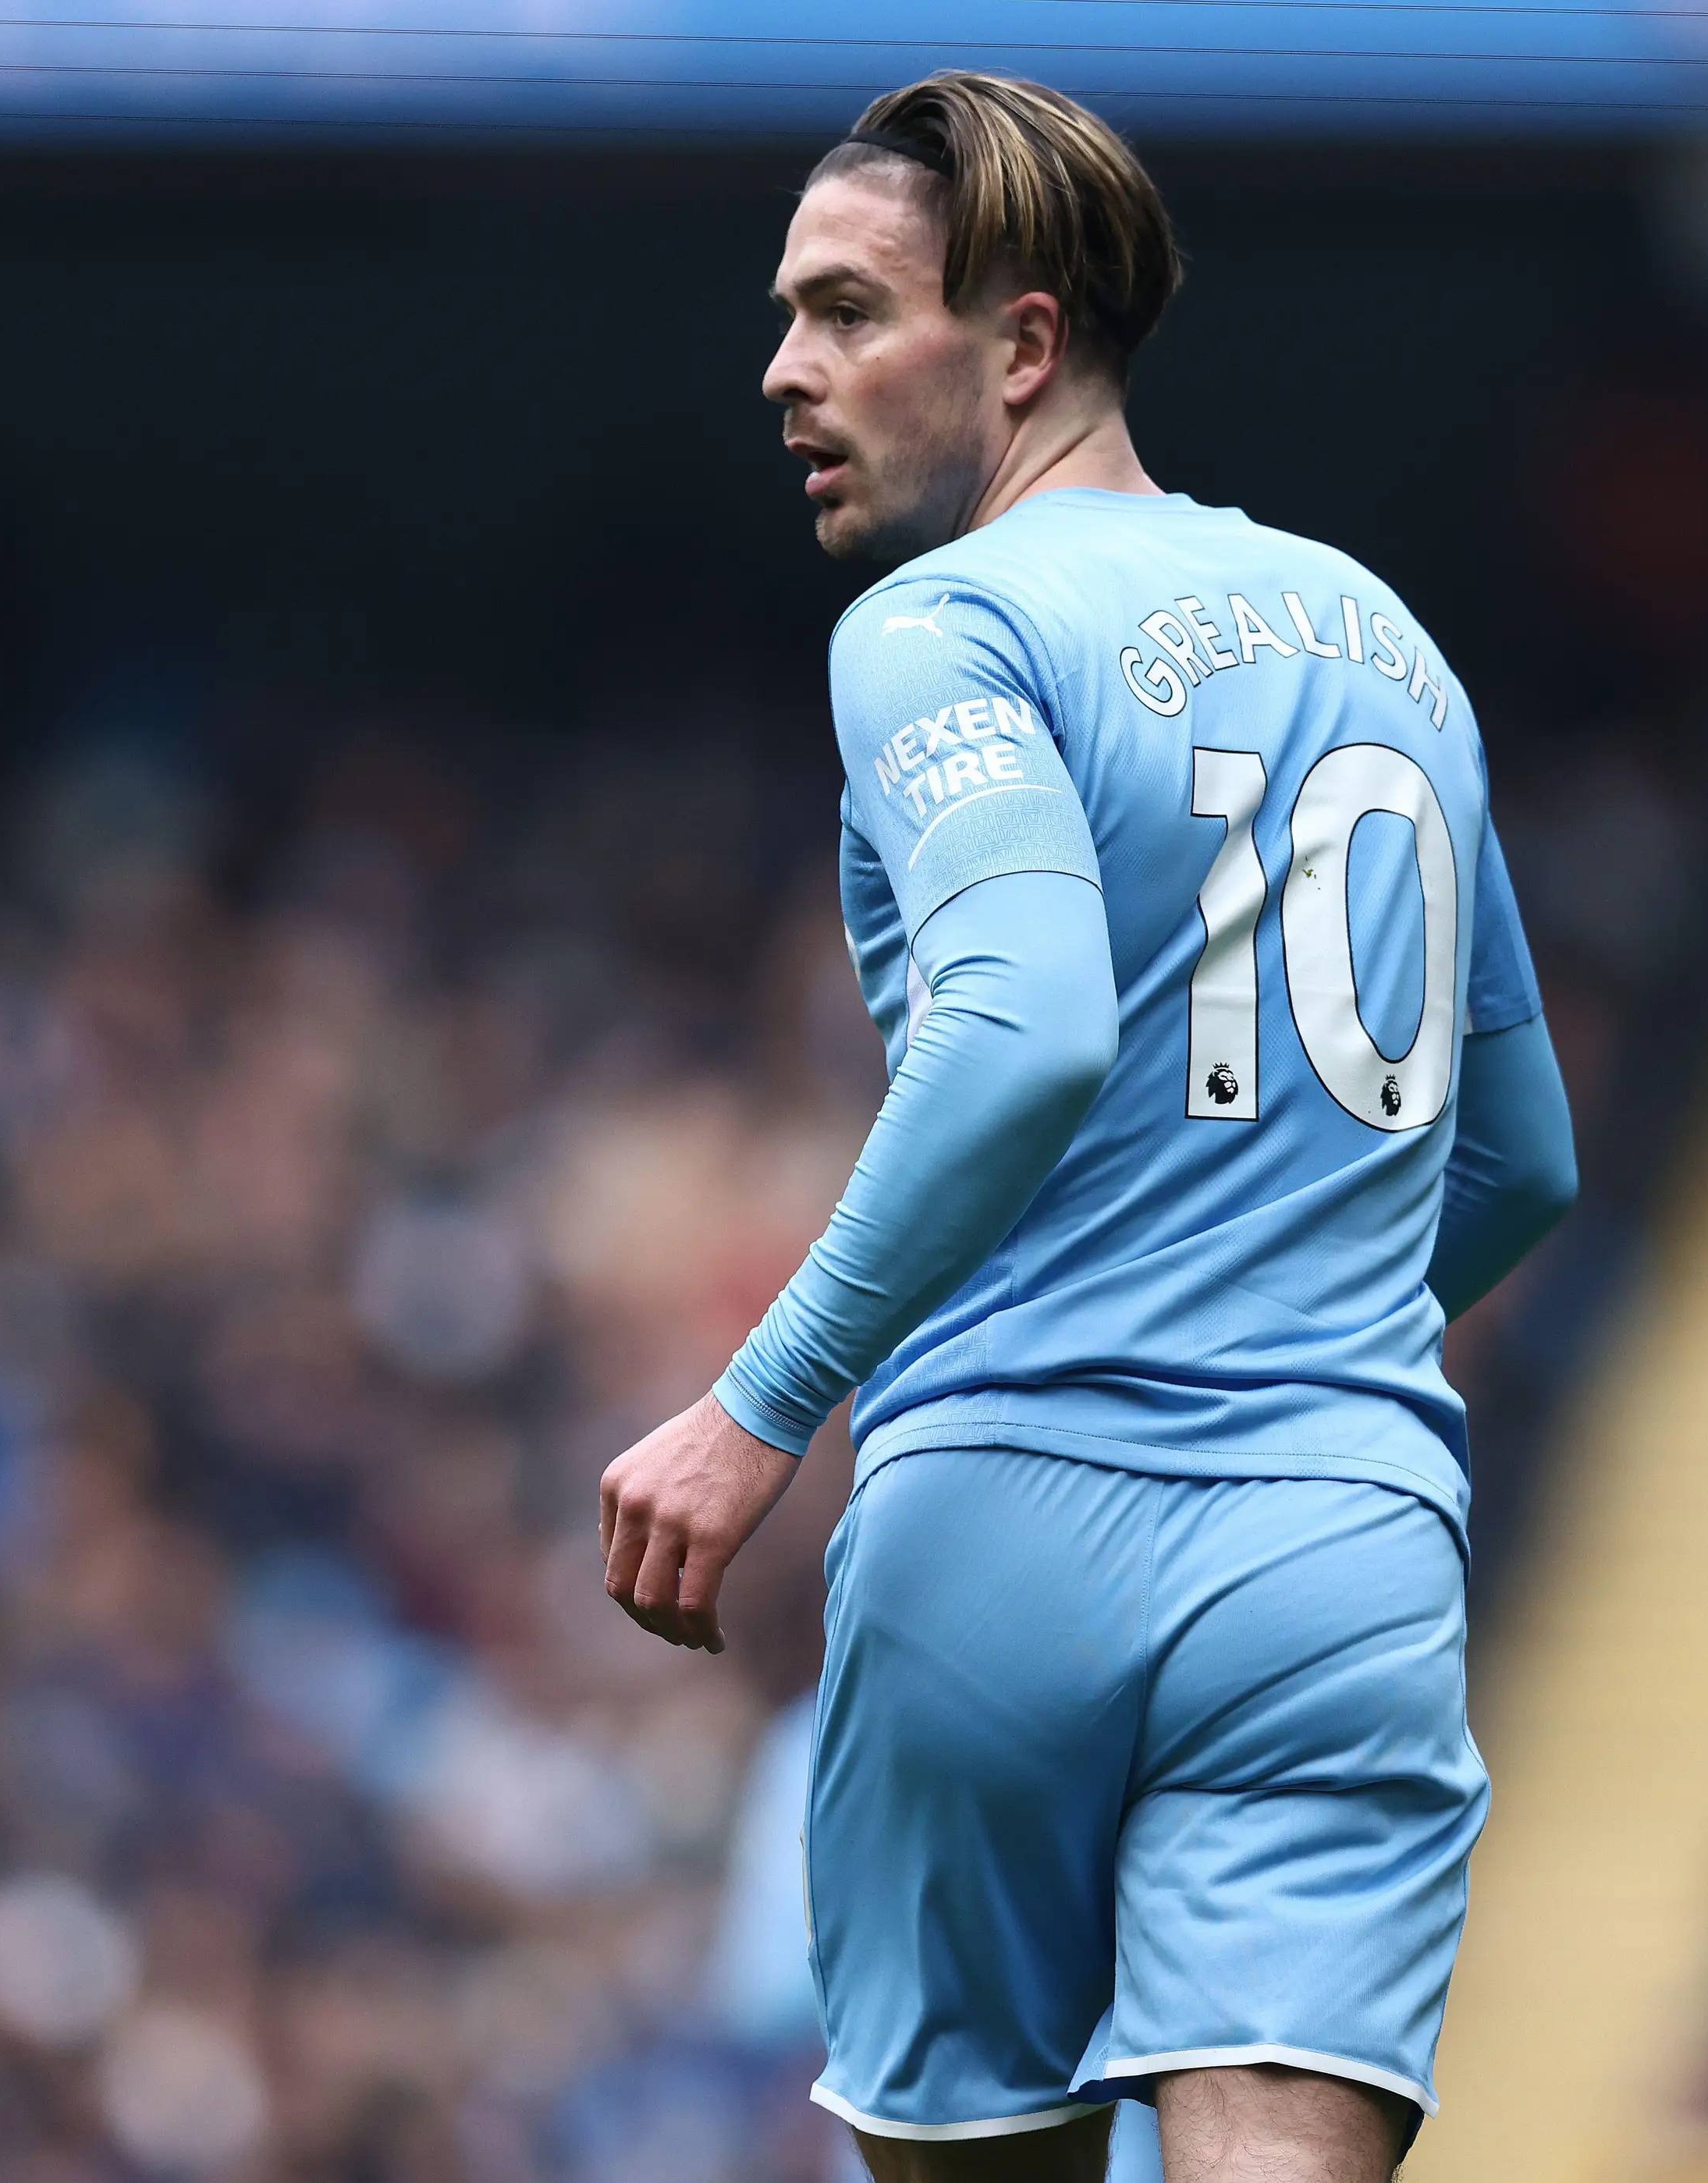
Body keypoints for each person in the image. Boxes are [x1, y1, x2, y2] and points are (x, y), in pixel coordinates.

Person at [597, 71, 1578, 2183]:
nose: (786, 368)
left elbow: (1025, 1030)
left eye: (850, 312)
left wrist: (754, 1408)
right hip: (1340, 1543)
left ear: (1023, 345)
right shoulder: (1395, 650)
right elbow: (1523, 1160)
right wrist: (1289, 1336)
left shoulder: (937, 629)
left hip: (1000, 1538)